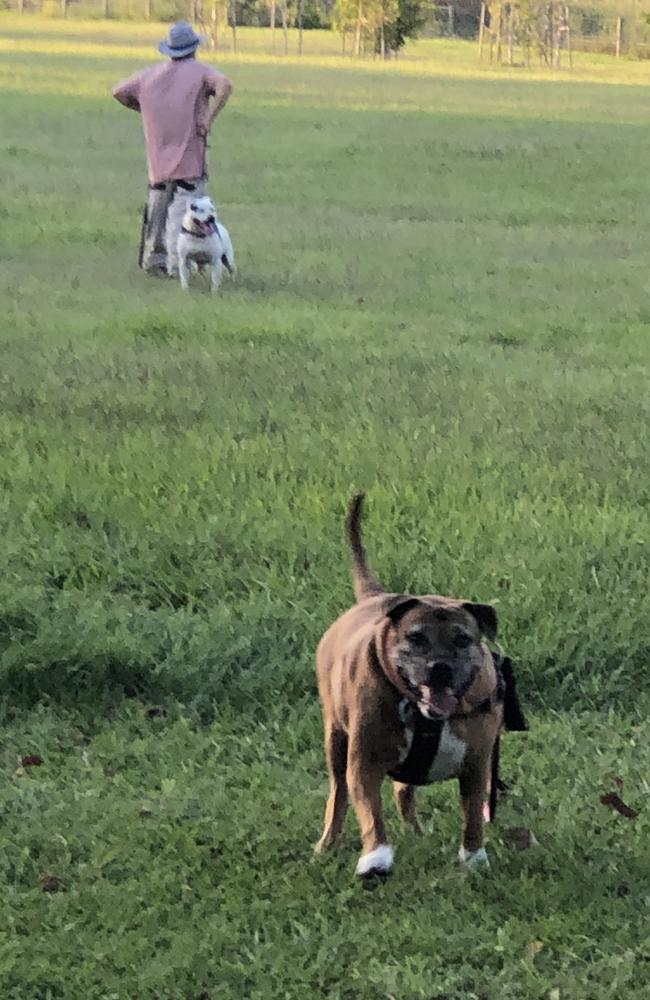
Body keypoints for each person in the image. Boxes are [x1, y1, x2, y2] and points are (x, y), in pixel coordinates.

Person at [112, 22, 232, 277]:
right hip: (190, 158)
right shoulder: (200, 72)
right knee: (186, 210)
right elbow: (225, 85)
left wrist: (143, 108)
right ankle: (179, 264)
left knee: (157, 209)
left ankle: (154, 259)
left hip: (158, 159)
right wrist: (208, 119)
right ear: (194, 48)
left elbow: (119, 91)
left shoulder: (150, 75)